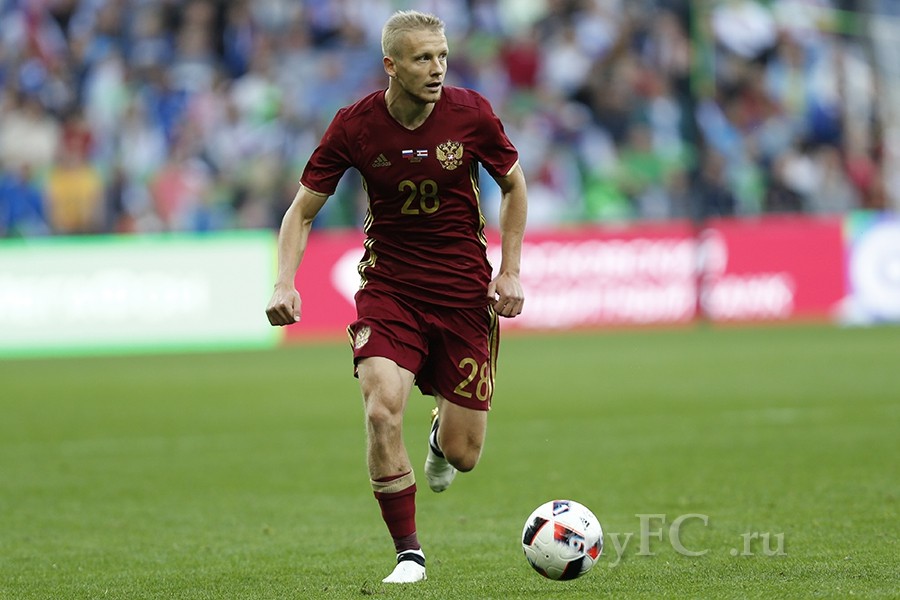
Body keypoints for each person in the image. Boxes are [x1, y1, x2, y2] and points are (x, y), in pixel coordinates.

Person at [265, 10, 527, 584]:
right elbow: (300, 212)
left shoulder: (472, 114)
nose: (437, 69)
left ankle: (438, 436)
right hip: (390, 290)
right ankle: (409, 554)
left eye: (442, 56)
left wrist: (509, 271)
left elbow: (513, 184)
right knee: (381, 409)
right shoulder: (354, 126)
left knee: (463, 455)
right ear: (391, 65)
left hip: (462, 295)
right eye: (422, 58)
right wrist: (284, 281)